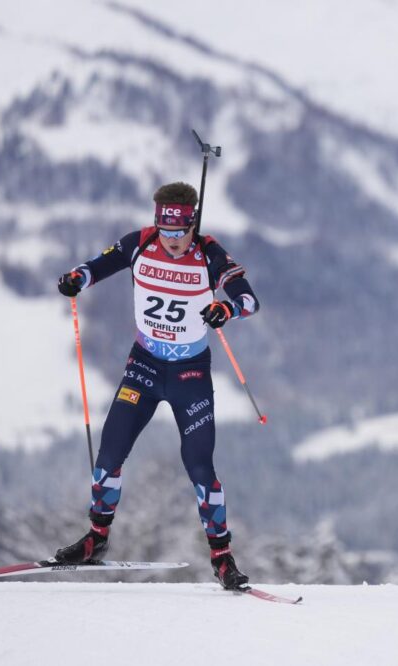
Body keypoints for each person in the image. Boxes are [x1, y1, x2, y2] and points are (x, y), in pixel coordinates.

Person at [54, 181, 259, 590]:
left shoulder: (209, 253)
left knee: (201, 468)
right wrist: (77, 278)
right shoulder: (139, 243)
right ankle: (96, 539)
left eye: (178, 233)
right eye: (164, 231)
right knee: (109, 454)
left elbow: (250, 299)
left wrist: (226, 307)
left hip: (190, 375)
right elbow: (96, 266)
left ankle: (222, 558)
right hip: (144, 368)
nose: (171, 241)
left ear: (192, 224)